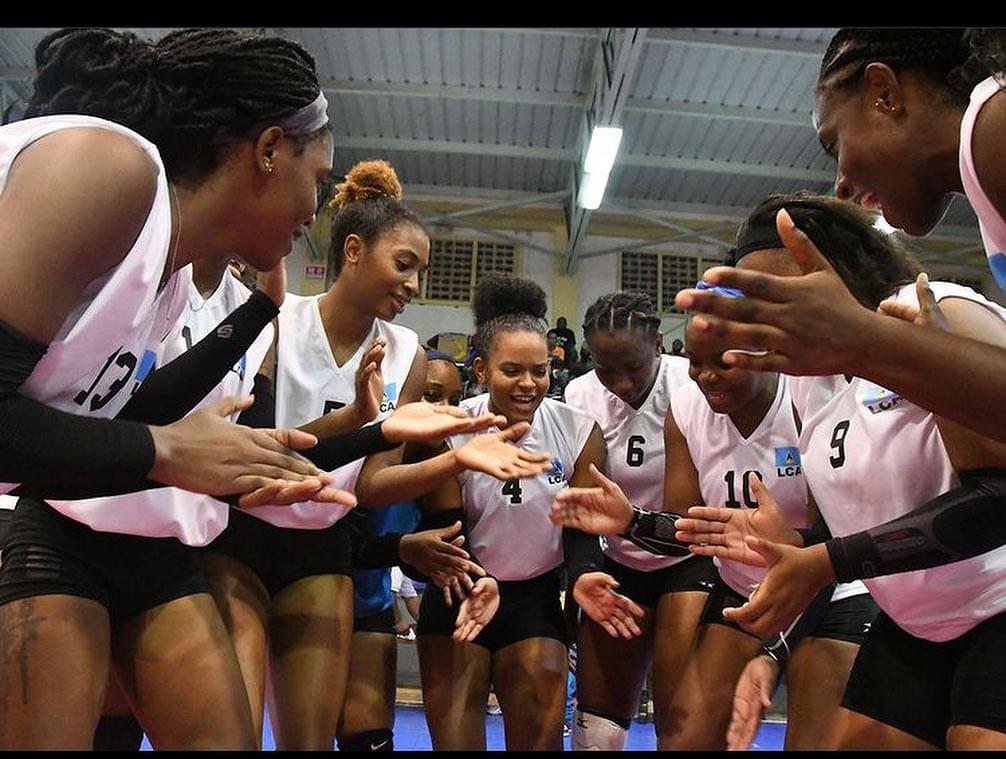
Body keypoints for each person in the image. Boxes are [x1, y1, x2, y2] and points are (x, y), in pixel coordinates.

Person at [0, 27, 374, 750]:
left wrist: (231, 455)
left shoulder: (167, 279)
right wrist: (163, 450)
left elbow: (79, 432)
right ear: (268, 150)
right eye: (320, 179)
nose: (316, 210)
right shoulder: (108, 168)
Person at [635, 193, 1006, 750]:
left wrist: (822, 562)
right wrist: (794, 547)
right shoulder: (810, 383)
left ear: (833, 272)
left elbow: (997, 501)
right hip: (912, 627)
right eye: (751, 300)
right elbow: (852, 529)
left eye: (776, 294)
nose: (762, 317)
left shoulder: (936, 310)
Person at [204, 160, 552, 750]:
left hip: (323, 549)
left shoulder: (408, 351)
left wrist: (455, 461)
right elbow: (254, 455)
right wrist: (357, 422)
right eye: (405, 265)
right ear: (355, 251)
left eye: (422, 271)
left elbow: (370, 484)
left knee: (308, 739)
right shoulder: (278, 320)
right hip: (238, 540)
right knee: (231, 734)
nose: (414, 285)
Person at [675, 29, 1006, 445]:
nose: (841, 187)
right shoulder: (983, 163)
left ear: (883, 92)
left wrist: (865, 341)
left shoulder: (995, 127)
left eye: (835, 145)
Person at [416, 274, 645, 751]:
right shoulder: (452, 429)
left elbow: (581, 526)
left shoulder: (579, 430)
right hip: (463, 594)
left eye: (539, 371)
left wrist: (583, 575)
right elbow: (446, 529)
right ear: (481, 369)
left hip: (536, 604)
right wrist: (477, 579)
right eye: (512, 371)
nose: (528, 384)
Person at [561, 291, 716, 751]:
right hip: (618, 560)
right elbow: (583, 498)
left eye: (633, 366)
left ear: (660, 348)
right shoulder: (579, 393)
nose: (622, 382)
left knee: (679, 714)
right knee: (598, 725)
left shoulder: (691, 387)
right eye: (607, 369)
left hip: (688, 556)